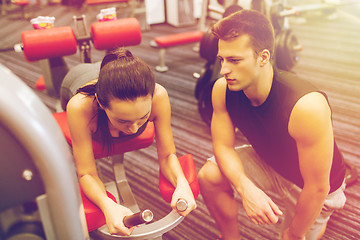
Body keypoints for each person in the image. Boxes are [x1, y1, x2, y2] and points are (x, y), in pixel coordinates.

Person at [197, 9, 347, 240]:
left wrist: (295, 233)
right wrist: (245, 188)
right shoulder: (222, 90)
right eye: (222, 59)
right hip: (271, 163)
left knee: (292, 236)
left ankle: (323, 217)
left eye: (235, 60)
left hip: (316, 186)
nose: (225, 70)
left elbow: (317, 187)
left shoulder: (306, 106)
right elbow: (223, 147)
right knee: (210, 175)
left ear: (263, 57)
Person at [64, 48, 196, 236]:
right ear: (101, 105)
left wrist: (181, 183)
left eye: (142, 118)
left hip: (112, 75)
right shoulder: (80, 106)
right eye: (123, 121)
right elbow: (86, 173)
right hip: (76, 78)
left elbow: (167, 155)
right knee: (59, 79)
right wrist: (108, 205)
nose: (134, 129)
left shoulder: (158, 95)